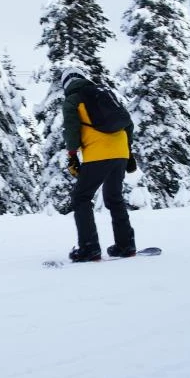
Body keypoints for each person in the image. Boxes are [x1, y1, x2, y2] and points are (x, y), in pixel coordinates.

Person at [60, 67, 137, 262]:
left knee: (81, 198)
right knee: (114, 198)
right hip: (120, 150)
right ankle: (126, 245)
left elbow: (71, 128)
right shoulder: (105, 93)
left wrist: (72, 154)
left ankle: (89, 248)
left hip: (98, 153)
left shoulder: (72, 99)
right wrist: (128, 152)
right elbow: (128, 122)